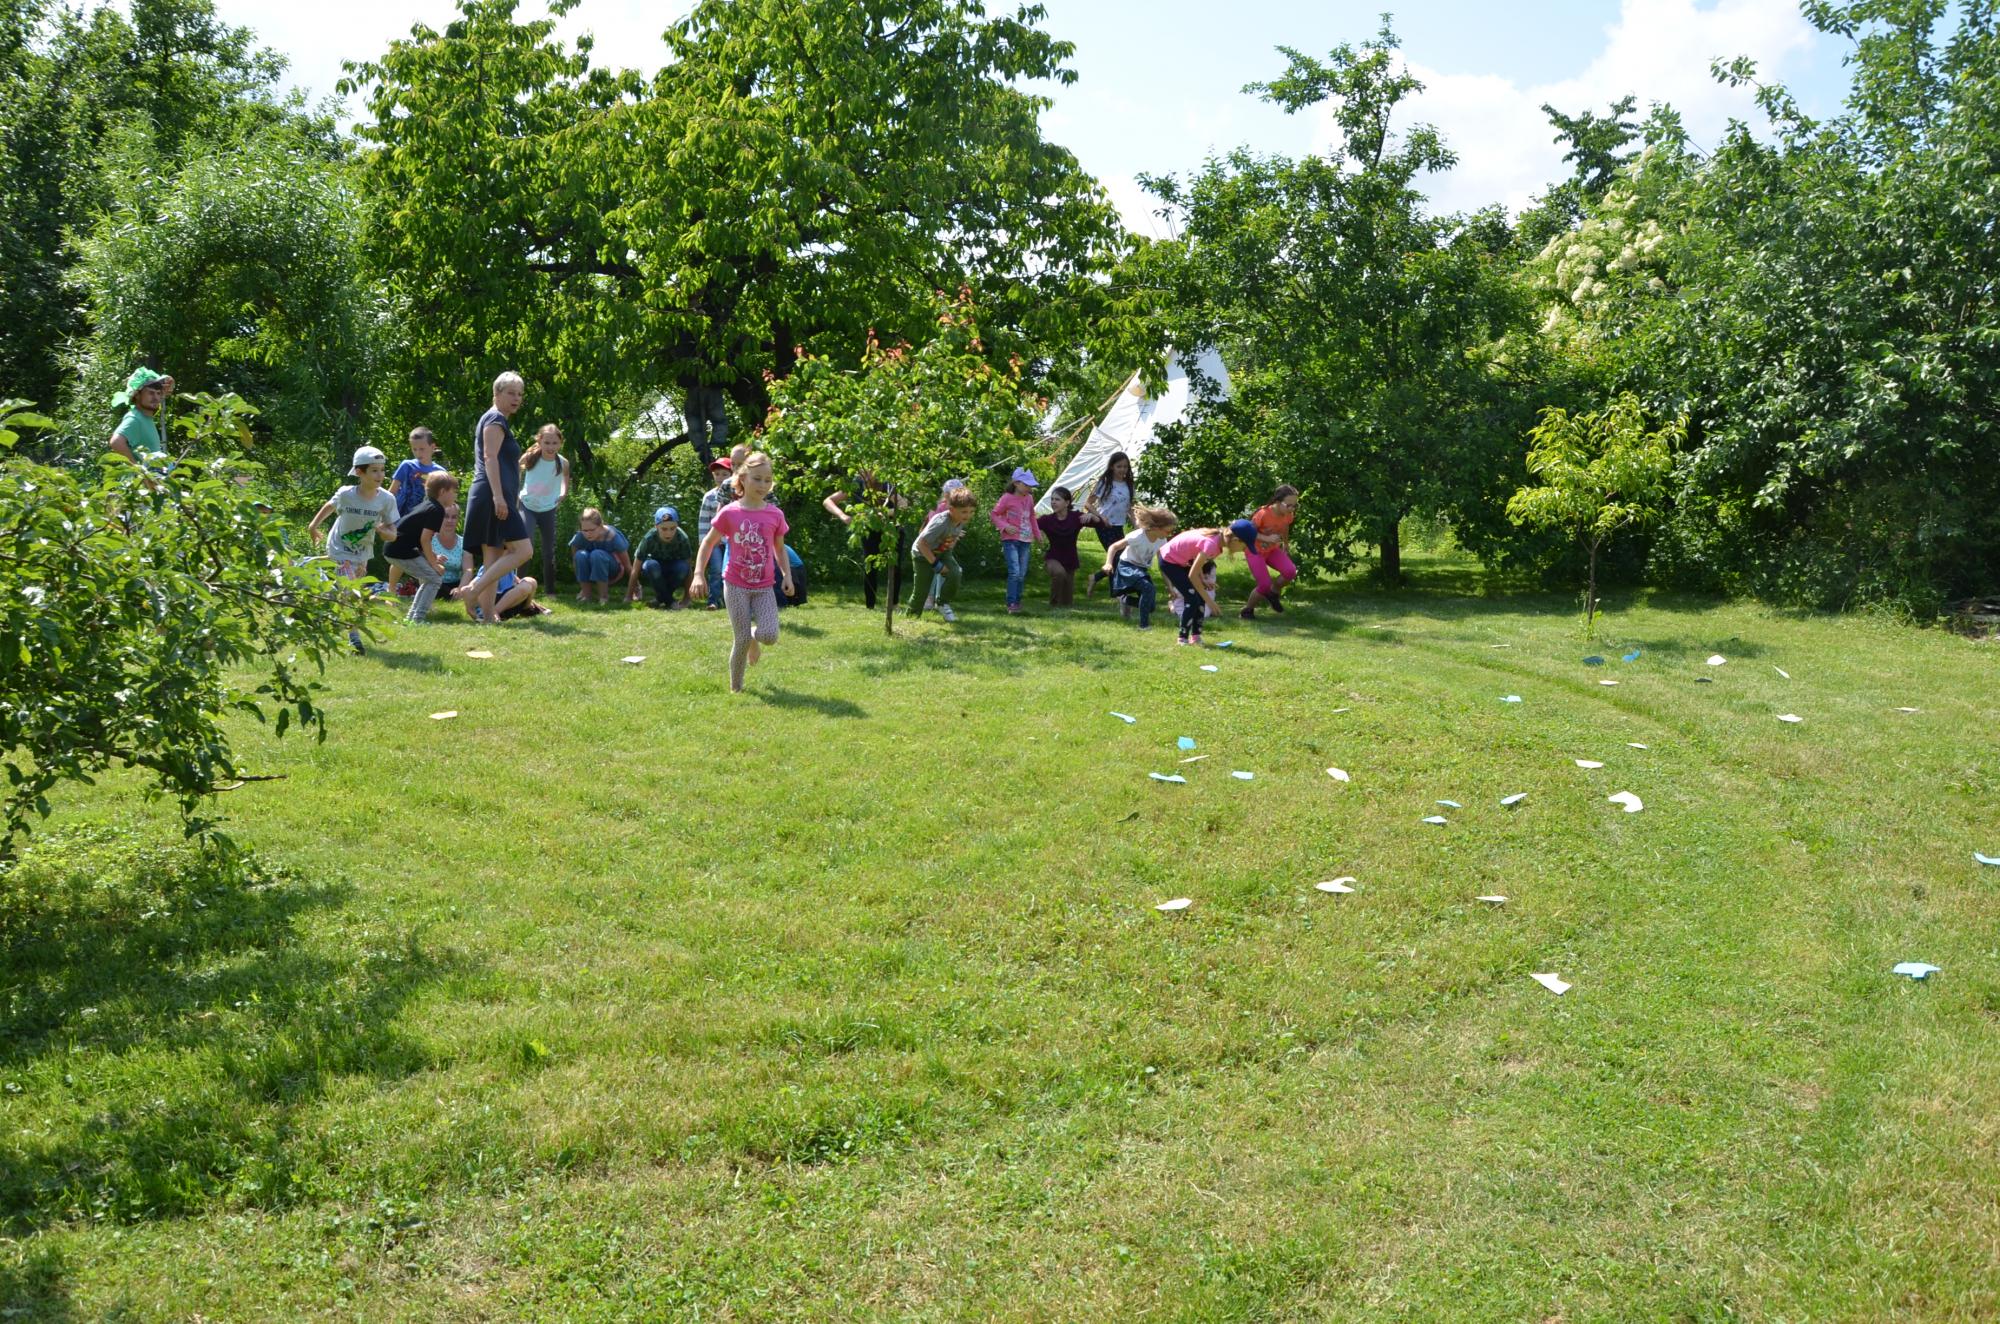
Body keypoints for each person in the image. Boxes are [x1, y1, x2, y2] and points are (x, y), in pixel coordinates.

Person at [690, 451, 794, 692]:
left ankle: (754, 636)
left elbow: (779, 548)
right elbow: (708, 542)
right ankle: (736, 689)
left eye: (767, 480)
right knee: (741, 639)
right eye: (757, 479)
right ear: (743, 479)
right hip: (735, 584)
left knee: (770, 635)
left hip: (764, 586)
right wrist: (698, 573)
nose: (763, 485)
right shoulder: (730, 512)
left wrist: (787, 575)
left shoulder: (775, 514)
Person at [451, 371, 534, 625]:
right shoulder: (495, 419)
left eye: (520, 394)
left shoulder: (496, 419)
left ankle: (488, 617)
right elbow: (490, 457)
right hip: (490, 495)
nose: (516, 398)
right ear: (496, 393)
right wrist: (499, 497)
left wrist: (508, 496)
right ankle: (473, 590)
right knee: (523, 550)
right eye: (511, 393)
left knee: (493, 558)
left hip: (494, 495)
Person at [305, 445, 400, 654]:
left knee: (348, 589)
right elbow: (330, 505)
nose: (380, 475)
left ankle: (315, 578)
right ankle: (354, 637)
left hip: (362, 552)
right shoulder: (346, 494)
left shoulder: (386, 499)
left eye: (382, 470)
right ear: (359, 472)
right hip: (339, 546)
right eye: (374, 470)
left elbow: (393, 534)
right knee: (351, 591)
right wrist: (313, 526)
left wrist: (384, 532)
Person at [382, 470, 457, 622]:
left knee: (430, 578)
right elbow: (425, 539)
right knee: (434, 579)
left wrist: (433, 556)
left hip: (395, 548)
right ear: (443, 492)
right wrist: (434, 563)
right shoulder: (437, 510)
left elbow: (417, 538)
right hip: (400, 551)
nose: (456, 495)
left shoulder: (429, 505)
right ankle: (417, 619)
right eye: (454, 491)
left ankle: (412, 618)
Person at [823, 472, 902, 609]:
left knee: (895, 566)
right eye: (861, 471)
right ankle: (870, 606)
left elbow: (903, 506)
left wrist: (884, 512)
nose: (864, 473)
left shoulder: (887, 485)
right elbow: (828, 501)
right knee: (869, 566)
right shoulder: (856, 484)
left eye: (868, 470)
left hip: (892, 528)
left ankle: (893, 604)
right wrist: (843, 516)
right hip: (869, 529)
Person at [1158, 526, 1248, 646]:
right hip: (1169, 560)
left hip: (1182, 560)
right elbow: (1192, 575)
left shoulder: (1217, 542)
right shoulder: (1211, 544)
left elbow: (1196, 559)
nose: (1244, 550)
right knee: (1192, 599)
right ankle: (1182, 638)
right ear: (1235, 540)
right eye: (1244, 547)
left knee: (1199, 599)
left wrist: (1202, 579)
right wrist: (1210, 602)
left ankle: (1196, 637)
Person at [1099, 504, 1176, 629]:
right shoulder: (1138, 536)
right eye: (1168, 531)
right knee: (1148, 588)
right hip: (1127, 566)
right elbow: (1114, 547)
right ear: (1156, 527)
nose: (1169, 534)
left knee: (1150, 607)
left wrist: (1170, 587)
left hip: (1141, 569)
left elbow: (1162, 565)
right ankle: (1143, 626)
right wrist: (1108, 563)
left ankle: (1124, 599)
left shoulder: (1162, 540)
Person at [385, 427, 443, 592]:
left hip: (424, 521)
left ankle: (423, 591)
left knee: (422, 555)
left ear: (433, 447)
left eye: (422, 449)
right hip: (401, 519)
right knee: (399, 556)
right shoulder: (407, 466)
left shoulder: (440, 472)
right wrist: (384, 514)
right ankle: (391, 591)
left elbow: (442, 500)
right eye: (414, 449)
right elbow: (391, 492)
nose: (418, 453)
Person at [907, 487, 976, 622]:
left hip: (941, 552)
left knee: (955, 573)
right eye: (964, 512)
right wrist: (937, 566)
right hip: (922, 555)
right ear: (951, 509)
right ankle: (911, 618)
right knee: (922, 591)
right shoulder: (941, 522)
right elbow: (922, 544)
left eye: (971, 512)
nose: (968, 515)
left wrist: (952, 542)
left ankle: (942, 603)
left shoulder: (960, 520)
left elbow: (952, 536)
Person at [518, 423, 571, 591]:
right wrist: (514, 492)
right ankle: (516, 585)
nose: (550, 447)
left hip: (548, 509)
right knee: (526, 547)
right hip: (527, 506)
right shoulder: (530, 457)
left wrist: (563, 493)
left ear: (560, 443)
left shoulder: (562, 462)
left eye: (555, 443)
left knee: (548, 551)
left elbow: (566, 478)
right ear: (539, 441)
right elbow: (516, 470)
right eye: (547, 442)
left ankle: (550, 590)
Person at [1035, 485, 1105, 608]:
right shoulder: (1047, 520)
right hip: (1052, 558)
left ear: (1067, 503)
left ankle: (1060, 605)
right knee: (1059, 573)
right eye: (1052, 499)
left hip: (1070, 561)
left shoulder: (1076, 517)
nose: (1053, 502)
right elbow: (1031, 525)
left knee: (1067, 603)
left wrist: (1093, 517)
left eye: (1057, 499)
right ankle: (1053, 605)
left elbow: (1102, 525)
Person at [1240, 484, 1301, 617]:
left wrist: (1286, 544)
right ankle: (1247, 611)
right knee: (1264, 585)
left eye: (1295, 505)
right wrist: (1267, 538)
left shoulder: (1288, 514)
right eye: (1288, 505)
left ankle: (1273, 593)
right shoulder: (1263, 514)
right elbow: (1248, 533)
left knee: (1290, 571)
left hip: (1272, 550)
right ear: (1278, 502)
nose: (1292, 509)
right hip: (1255, 551)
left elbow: (1285, 527)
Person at [989, 467, 1043, 614]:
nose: (1029, 488)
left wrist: (1037, 534)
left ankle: (1017, 602)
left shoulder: (1029, 498)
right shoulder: (1006, 498)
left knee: (1021, 573)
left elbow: (1032, 516)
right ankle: (1011, 603)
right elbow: (994, 514)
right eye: (1026, 485)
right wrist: (1005, 526)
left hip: (1026, 540)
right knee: (1014, 572)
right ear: (1016, 483)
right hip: (1010, 540)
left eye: (1030, 485)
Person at [1082, 452, 1136, 597]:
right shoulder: (1105, 482)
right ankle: (1115, 593)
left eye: (1125, 466)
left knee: (1119, 558)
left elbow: (1129, 508)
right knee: (1116, 557)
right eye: (1119, 466)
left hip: (1118, 525)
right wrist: (1101, 517)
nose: (1122, 469)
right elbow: (1088, 503)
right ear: (1112, 466)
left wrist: (1136, 524)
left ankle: (1096, 578)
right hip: (1104, 525)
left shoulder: (1129, 484)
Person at [628, 505, 693, 608]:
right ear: (656, 526)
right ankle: (670, 601)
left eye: (672, 528)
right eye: (664, 529)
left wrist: (687, 598)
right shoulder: (648, 538)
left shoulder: (682, 538)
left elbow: (689, 569)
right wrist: (628, 596)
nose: (668, 533)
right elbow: (635, 568)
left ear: (677, 525)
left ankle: (660, 599)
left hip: (674, 569)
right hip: (655, 568)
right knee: (651, 566)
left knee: (683, 567)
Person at [106, 366, 175, 463]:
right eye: (151, 393)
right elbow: (116, 442)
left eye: (158, 393)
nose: (156, 397)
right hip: (139, 474)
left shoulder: (145, 418)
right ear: (137, 395)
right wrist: (136, 467)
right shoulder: (135, 418)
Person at [567, 507, 630, 605]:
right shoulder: (579, 537)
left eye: (592, 530)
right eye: (585, 530)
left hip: (613, 570)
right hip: (591, 570)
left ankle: (603, 597)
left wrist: (636, 587)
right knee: (580, 555)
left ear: (600, 526)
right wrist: (582, 584)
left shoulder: (613, 536)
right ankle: (586, 595)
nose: (588, 534)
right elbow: (576, 562)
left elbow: (627, 565)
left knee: (597, 554)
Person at [696, 456, 735, 610]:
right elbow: (704, 520)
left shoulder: (736, 496)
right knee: (716, 569)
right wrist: (704, 542)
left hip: (732, 541)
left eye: (724, 474)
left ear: (732, 475)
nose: (720, 477)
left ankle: (729, 599)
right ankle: (713, 600)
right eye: (717, 474)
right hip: (714, 541)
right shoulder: (709, 496)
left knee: (731, 570)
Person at [683, 378, 729, 467]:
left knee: (694, 420)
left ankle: (706, 449)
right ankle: (712, 448)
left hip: (697, 386)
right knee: (719, 421)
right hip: (711, 386)